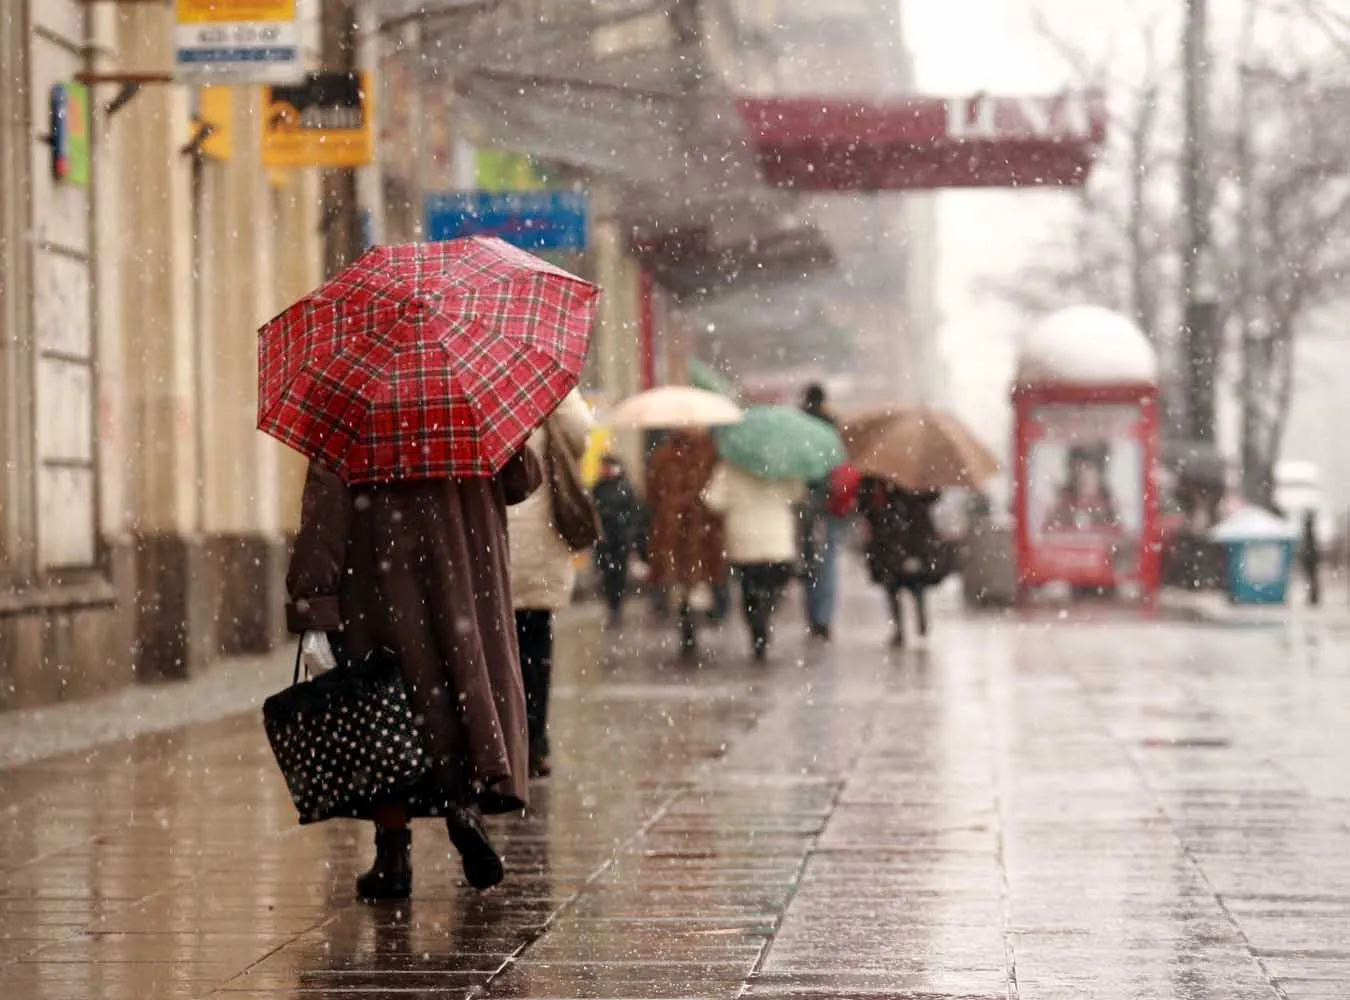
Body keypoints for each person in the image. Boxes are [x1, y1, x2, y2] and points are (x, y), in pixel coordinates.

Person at [285, 446, 541, 900]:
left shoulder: (351, 403)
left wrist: (314, 604)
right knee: (456, 693)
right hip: (462, 577)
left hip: (379, 580)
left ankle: (393, 855)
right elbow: (521, 481)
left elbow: (324, 514)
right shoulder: (469, 396)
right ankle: (462, 810)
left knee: (385, 713)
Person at [508, 389, 595, 780]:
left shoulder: (470, 385)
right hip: (539, 541)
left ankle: (501, 743)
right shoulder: (543, 383)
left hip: (488, 542)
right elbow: (581, 435)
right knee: (535, 643)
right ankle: (534, 740)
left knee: (491, 650)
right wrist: (556, 399)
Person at [703, 462, 805, 661]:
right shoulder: (783, 464)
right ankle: (765, 611)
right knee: (773, 584)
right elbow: (797, 493)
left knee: (749, 588)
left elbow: (713, 500)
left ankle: (757, 626)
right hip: (776, 539)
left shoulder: (730, 466)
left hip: (744, 538)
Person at [645, 431, 728, 658]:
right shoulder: (711, 453)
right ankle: (692, 620)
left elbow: (651, 493)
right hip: (702, 528)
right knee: (697, 576)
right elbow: (718, 491)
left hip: (672, 528)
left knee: (679, 578)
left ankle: (686, 620)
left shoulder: (663, 456)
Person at [860, 478, 948, 647]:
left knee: (906, 580)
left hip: (900, 532)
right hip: (894, 533)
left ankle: (907, 624)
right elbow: (865, 502)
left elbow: (933, 496)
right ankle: (902, 626)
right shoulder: (878, 477)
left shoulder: (880, 475)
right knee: (896, 582)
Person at [799, 383, 843, 640]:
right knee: (827, 558)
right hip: (830, 501)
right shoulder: (832, 425)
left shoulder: (797, 426)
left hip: (804, 499)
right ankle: (823, 616)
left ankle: (813, 615)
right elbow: (840, 463)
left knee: (808, 560)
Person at [591, 454, 642, 628]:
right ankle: (612, 605)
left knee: (618, 575)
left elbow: (634, 513)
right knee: (607, 573)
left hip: (620, 538)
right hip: (604, 539)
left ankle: (616, 606)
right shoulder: (598, 487)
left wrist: (631, 534)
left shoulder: (625, 487)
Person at [1043, 444, 1121, 534]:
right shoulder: (1061, 506)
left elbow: (1119, 539)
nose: (1082, 477)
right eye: (1078, 470)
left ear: (1099, 474)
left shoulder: (1109, 507)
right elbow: (1047, 536)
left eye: (1088, 468)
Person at [1301, 510, 1321, 607]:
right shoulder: (1310, 531)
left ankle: (1313, 598)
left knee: (1311, 579)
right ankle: (1313, 598)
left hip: (1310, 558)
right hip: (1310, 558)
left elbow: (1309, 547)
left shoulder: (1308, 532)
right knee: (1312, 579)